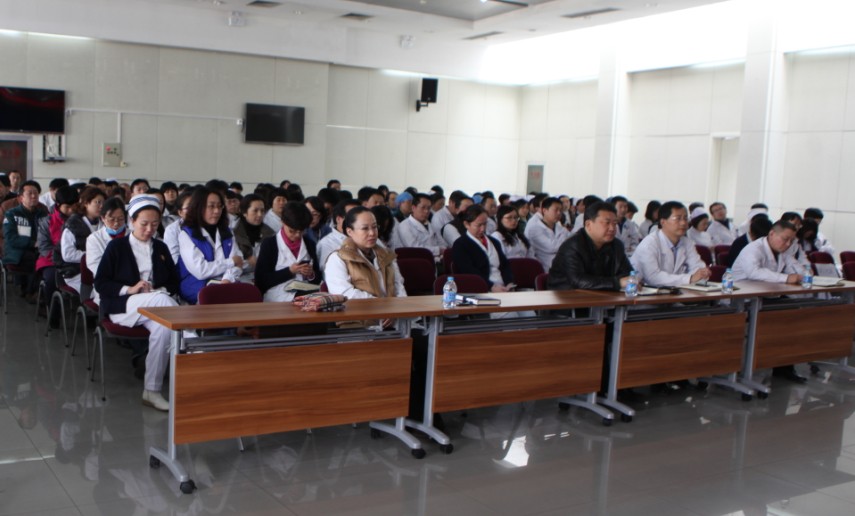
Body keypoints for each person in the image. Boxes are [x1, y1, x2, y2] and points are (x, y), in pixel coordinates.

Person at [93, 195, 180, 411]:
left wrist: (159, 290)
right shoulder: (117, 247)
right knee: (163, 303)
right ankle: (190, 337)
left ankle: (151, 390)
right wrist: (129, 289)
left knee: (163, 329)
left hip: (157, 306)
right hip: (123, 306)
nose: (150, 229)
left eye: (155, 224)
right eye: (144, 224)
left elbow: (174, 281)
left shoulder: (160, 248)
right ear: (131, 221)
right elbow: (101, 283)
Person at [731, 220, 806, 383]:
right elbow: (754, 272)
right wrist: (786, 278)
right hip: (744, 299)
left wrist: (805, 275)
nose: (788, 244)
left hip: (767, 297)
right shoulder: (753, 249)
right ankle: (751, 368)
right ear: (772, 234)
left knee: (794, 312)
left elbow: (798, 268)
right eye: (785, 239)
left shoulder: (782, 250)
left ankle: (783, 367)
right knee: (782, 315)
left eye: (791, 240)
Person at [325, 206, 406, 309]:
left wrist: (399, 308)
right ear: (350, 231)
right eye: (365, 228)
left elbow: (398, 285)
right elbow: (344, 293)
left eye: (374, 227)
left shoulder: (386, 255)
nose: (372, 233)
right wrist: (382, 306)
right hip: (359, 315)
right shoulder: (337, 259)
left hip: (393, 313)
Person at [176, 187, 243, 304]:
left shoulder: (227, 232)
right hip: (196, 286)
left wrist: (227, 279)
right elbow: (201, 271)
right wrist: (230, 262)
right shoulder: (186, 234)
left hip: (226, 283)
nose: (217, 211)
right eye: (211, 206)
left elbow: (239, 262)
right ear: (198, 207)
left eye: (219, 206)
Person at [548, 201, 632, 291]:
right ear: (588, 225)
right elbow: (578, 281)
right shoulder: (572, 246)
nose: (612, 228)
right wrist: (617, 283)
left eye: (615, 223)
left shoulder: (616, 245)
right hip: (566, 295)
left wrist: (630, 280)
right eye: (607, 223)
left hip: (601, 295)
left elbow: (628, 274)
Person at [630, 201, 710, 287]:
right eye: (678, 218)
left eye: (685, 218)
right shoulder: (649, 244)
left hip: (673, 290)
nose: (683, 223)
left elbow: (698, 267)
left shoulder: (687, 242)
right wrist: (690, 278)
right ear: (663, 222)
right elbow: (653, 278)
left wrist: (702, 274)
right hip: (643, 291)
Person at [255, 202, 320, 302]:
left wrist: (311, 274)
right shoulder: (270, 244)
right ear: (282, 222)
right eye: (292, 231)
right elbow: (261, 280)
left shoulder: (309, 244)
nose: (297, 235)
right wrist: (289, 271)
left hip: (305, 290)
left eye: (301, 231)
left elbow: (317, 278)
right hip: (277, 294)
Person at [37, 186, 79, 323]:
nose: (71, 210)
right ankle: (53, 316)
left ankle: (87, 315)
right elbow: (44, 247)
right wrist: (61, 258)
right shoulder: (47, 221)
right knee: (51, 279)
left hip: (75, 259)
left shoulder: (81, 220)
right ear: (58, 205)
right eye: (67, 207)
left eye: (74, 206)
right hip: (51, 260)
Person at [451, 205, 513, 293]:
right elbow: (469, 271)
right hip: (479, 289)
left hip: (502, 287)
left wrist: (509, 282)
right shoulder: (460, 245)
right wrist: (491, 286)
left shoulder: (494, 242)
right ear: (466, 224)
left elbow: (505, 265)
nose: (483, 229)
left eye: (485, 224)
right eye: (479, 225)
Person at [2, 180, 48, 300]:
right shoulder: (12, 214)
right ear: (21, 197)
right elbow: (11, 238)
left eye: (36, 193)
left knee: (48, 259)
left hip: (39, 249)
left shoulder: (43, 214)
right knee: (34, 259)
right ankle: (30, 292)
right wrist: (33, 243)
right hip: (16, 251)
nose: (33, 196)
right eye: (29, 193)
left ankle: (40, 292)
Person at [60, 186, 105, 294]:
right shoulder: (73, 224)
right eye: (97, 202)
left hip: (100, 269)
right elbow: (68, 254)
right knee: (98, 290)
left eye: (103, 203)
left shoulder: (104, 223)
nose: (101, 206)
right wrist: (93, 255)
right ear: (86, 203)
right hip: (76, 271)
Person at [85, 197, 128, 305]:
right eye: (111, 219)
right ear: (103, 218)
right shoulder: (94, 239)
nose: (116, 223)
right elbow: (96, 266)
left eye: (121, 219)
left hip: (132, 283)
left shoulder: (133, 235)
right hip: (107, 285)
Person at [389, 193, 446, 258]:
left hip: (437, 259)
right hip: (417, 260)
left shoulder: (430, 225)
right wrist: (438, 250)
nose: (426, 211)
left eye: (429, 208)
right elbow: (415, 248)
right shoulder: (404, 226)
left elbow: (442, 243)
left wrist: (441, 250)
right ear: (413, 208)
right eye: (423, 208)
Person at [231, 193, 274, 277]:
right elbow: (232, 261)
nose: (260, 214)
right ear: (244, 212)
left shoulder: (269, 233)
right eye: (255, 211)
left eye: (262, 211)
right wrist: (248, 260)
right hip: (237, 276)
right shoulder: (233, 233)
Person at [524, 196, 570, 270]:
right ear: (544, 210)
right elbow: (552, 248)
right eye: (556, 210)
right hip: (545, 268)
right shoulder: (534, 228)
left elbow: (572, 241)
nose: (559, 213)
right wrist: (566, 241)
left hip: (563, 266)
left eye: (561, 210)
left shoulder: (560, 227)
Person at [316, 199, 361, 271]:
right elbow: (327, 270)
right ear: (339, 219)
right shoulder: (327, 243)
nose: (358, 221)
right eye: (353, 217)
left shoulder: (369, 237)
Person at [163, 190, 194, 264]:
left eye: (196, 207)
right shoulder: (172, 230)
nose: (193, 210)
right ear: (180, 212)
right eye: (188, 208)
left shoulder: (206, 226)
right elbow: (174, 258)